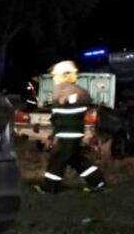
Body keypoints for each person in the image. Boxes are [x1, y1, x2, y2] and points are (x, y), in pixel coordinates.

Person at [37, 60, 106, 193]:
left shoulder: (69, 91)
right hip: (68, 131)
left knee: (58, 159)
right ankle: (98, 182)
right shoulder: (73, 91)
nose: (54, 78)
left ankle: (50, 187)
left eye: (56, 75)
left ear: (65, 75)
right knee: (76, 160)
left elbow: (68, 107)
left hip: (68, 132)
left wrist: (67, 99)